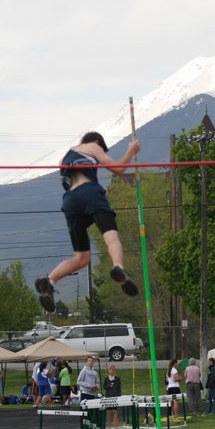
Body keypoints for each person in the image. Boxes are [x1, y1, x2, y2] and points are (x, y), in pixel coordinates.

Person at [35, 132, 142, 312]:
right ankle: (118, 267)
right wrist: (131, 151)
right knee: (111, 237)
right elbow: (118, 169)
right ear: (97, 141)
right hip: (90, 194)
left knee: (81, 258)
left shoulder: (63, 159)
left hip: (70, 201)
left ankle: (49, 281)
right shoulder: (92, 146)